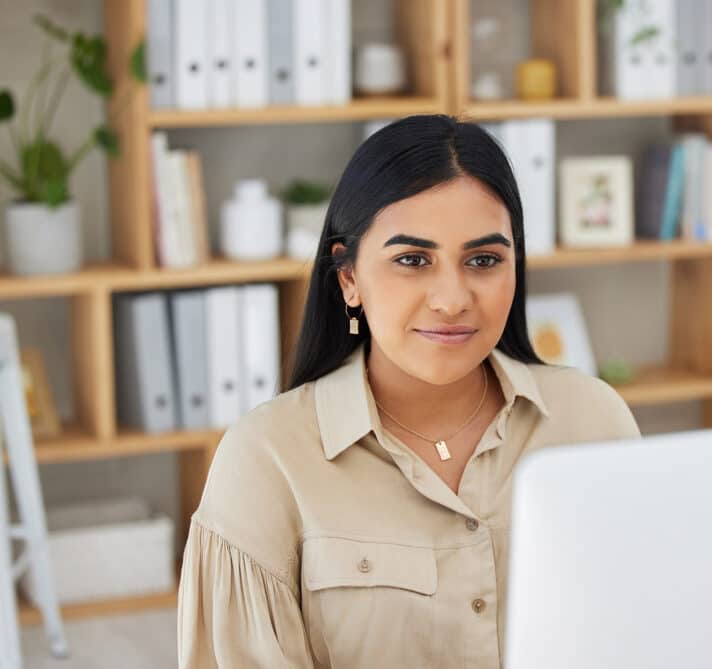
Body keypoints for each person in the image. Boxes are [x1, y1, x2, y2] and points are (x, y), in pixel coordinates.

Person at [176, 114, 641, 668]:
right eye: (413, 260)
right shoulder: (266, 459)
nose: (451, 298)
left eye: (484, 260)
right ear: (347, 277)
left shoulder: (594, 421)